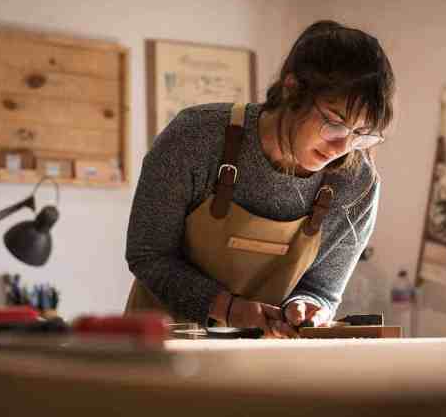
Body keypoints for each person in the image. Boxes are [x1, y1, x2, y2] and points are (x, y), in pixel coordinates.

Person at [125, 20, 396, 338]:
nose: (343, 147)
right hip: (160, 350)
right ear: (292, 88)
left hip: (262, 362)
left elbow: (323, 289)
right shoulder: (195, 138)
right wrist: (228, 308)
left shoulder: (356, 183)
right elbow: (148, 253)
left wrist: (308, 307)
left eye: (361, 133)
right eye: (335, 123)